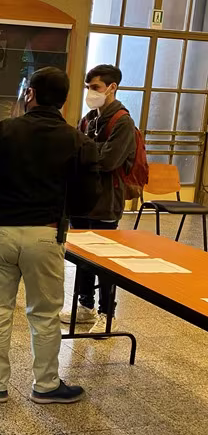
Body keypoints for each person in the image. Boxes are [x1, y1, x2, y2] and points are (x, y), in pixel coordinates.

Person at [0, 67, 101, 405]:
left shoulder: (1, 130)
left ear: (30, 94)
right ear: (64, 100)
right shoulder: (78, 141)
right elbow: (88, 198)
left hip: (0, 232)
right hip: (45, 235)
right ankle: (46, 385)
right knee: (44, 313)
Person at [60, 65, 137, 334]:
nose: (90, 92)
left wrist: (88, 151)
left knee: (104, 260)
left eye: (95, 87)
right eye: (88, 87)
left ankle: (107, 312)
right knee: (82, 256)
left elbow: (108, 161)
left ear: (112, 87)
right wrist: (92, 150)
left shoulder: (123, 122)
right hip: (82, 198)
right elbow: (73, 150)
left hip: (106, 201)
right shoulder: (89, 119)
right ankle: (86, 304)